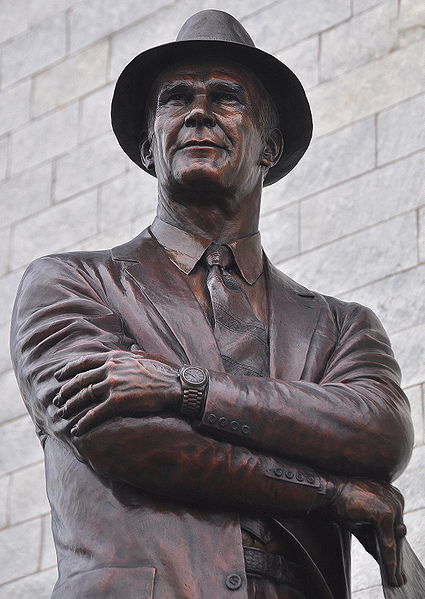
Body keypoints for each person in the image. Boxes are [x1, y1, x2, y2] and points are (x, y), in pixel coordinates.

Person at [11, 10, 414, 599]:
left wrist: (187, 390)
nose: (199, 112)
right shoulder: (73, 283)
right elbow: (126, 437)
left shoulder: (340, 326)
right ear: (149, 146)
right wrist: (326, 493)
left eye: (227, 98)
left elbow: (379, 433)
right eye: (177, 99)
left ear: (269, 148)